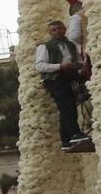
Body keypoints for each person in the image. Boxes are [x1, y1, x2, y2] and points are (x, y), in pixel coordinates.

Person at [34, 19, 91, 152]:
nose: (57, 31)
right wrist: (60, 66)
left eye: (59, 28)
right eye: (54, 30)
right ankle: (75, 134)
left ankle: (66, 140)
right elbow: (40, 66)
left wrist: (79, 65)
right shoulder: (44, 47)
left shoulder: (71, 45)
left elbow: (78, 60)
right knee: (66, 106)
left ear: (64, 29)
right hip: (54, 80)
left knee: (68, 106)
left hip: (67, 78)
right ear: (49, 32)